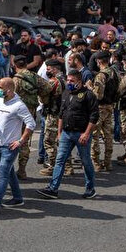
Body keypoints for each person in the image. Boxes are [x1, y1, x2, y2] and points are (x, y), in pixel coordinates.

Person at [37, 69, 98, 200]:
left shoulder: (88, 95)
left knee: (86, 162)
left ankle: (90, 188)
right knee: (60, 161)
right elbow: (61, 114)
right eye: (68, 80)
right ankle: (53, 189)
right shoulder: (66, 93)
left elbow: (94, 117)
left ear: (79, 82)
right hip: (66, 133)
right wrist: (59, 133)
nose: (69, 83)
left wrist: (86, 133)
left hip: (81, 134)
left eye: (72, 81)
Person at [0, 77, 35, 215]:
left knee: (3, 173)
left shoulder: (19, 105)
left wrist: (21, 141)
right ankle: (18, 198)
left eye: (0, 87)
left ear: (9, 90)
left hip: (10, 147)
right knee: (10, 172)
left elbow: (31, 124)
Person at [86, 51, 118, 172]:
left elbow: (97, 95)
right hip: (110, 106)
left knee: (95, 136)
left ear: (99, 61)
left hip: (99, 108)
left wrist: (90, 87)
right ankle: (108, 162)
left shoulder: (101, 75)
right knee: (108, 135)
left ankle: (96, 163)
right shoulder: (115, 72)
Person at [39, 59, 66, 177]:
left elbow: (43, 97)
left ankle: (53, 166)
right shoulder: (66, 78)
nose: (47, 71)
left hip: (54, 113)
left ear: (55, 69)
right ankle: (67, 166)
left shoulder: (54, 81)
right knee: (63, 141)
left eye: (49, 69)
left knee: (49, 141)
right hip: (63, 113)